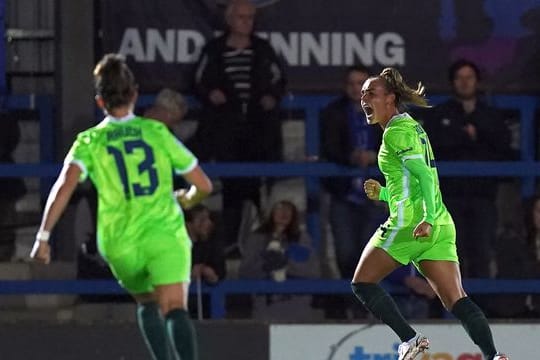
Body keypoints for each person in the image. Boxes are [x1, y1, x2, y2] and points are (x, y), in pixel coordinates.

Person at [30, 53, 213, 360]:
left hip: (119, 240)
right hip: (163, 232)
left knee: (147, 302)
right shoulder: (156, 132)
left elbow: (64, 186)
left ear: (100, 102)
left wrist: (43, 237)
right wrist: (186, 199)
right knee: (174, 308)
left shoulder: (89, 141)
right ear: (135, 94)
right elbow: (203, 185)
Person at [352, 67, 508, 360]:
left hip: (413, 223)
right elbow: (413, 183)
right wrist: (384, 193)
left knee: (362, 283)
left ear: (391, 98)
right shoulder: (412, 126)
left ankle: (410, 339)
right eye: (362, 93)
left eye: (371, 93)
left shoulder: (396, 134)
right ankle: (494, 356)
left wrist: (426, 217)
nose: (364, 98)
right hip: (439, 223)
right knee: (456, 300)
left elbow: (424, 175)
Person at [193, 0, 286, 250]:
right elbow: (198, 79)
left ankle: (256, 242)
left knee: (256, 186)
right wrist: (210, 93)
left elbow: (280, 79)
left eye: (251, 18)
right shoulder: (214, 49)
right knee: (231, 186)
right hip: (226, 128)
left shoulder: (263, 49)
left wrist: (271, 97)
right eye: (242, 18)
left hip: (258, 129)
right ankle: (230, 240)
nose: (247, 23)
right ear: (230, 20)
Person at [422, 59, 511, 278]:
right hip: (450, 195)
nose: (464, 82)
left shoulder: (490, 115)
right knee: (452, 251)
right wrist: (465, 137)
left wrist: (478, 135)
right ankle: (455, 307)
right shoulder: (439, 113)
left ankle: (480, 307)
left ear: (477, 81)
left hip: (483, 195)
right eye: (459, 78)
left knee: (482, 250)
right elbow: (433, 143)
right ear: (452, 82)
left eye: (469, 77)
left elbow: (502, 144)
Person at [320, 64, 383, 279]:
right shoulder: (333, 112)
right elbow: (329, 148)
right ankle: (350, 304)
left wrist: (374, 157)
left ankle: (366, 307)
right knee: (345, 253)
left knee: (370, 253)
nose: (357, 89)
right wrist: (351, 157)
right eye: (352, 84)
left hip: (377, 195)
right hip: (343, 194)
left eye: (362, 84)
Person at [239, 200, 320, 280]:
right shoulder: (256, 238)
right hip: (262, 289)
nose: (284, 212)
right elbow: (244, 272)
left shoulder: (302, 238)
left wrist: (286, 264)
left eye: (289, 208)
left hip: (294, 289)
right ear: (271, 212)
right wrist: (266, 265)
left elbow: (313, 272)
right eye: (280, 208)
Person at [186, 204, 225, 285]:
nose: (208, 223)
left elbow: (221, 272)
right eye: (202, 220)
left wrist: (207, 272)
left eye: (208, 219)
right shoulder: (178, 247)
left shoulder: (212, 245)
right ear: (189, 224)